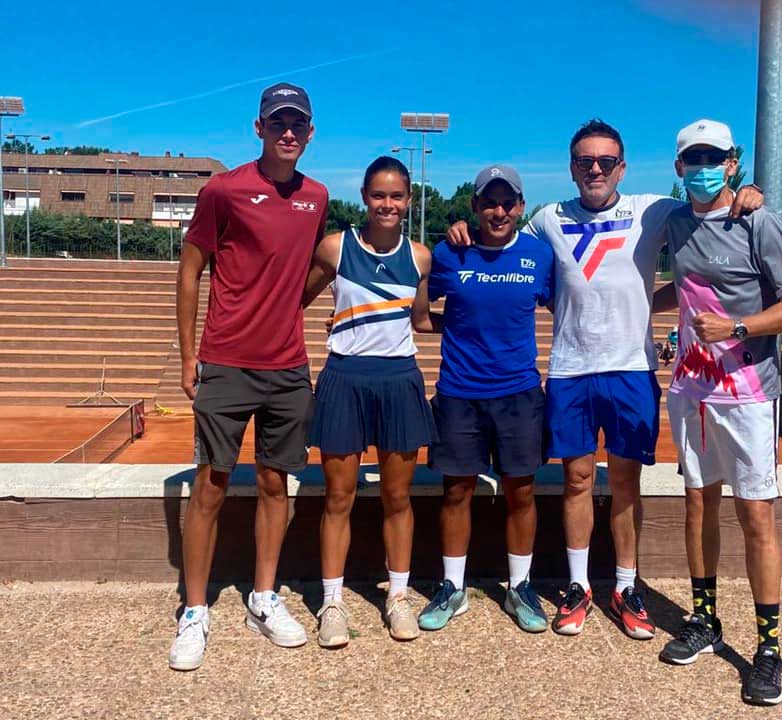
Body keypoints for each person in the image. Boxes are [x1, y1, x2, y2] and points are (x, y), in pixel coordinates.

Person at [447, 120, 763, 639]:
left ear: (622, 166)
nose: (595, 169)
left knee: (624, 484)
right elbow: (497, 241)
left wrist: (747, 192)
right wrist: (461, 230)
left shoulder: (652, 210)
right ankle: (578, 587)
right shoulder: (547, 218)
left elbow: (710, 210)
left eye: (605, 161)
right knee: (575, 481)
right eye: (584, 161)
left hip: (631, 370)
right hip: (571, 371)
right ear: (571, 168)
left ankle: (625, 585)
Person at [652, 119, 782, 706]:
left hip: (748, 393)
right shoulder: (673, 220)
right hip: (693, 390)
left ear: (732, 162)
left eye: (712, 157)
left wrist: (739, 326)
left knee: (756, 517)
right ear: (678, 167)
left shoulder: (758, 220)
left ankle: (768, 648)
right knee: (698, 503)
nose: (702, 166)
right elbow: (686, 286)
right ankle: (704, 620)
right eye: (692, 157)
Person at [170, 83, 328, 671]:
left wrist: (290, 307)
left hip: (288, 367)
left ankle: (264, 597)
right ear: (258, 128)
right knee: (210, 485)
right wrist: (190, 357)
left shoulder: (318, 195)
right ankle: (194, 609)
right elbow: (190, 272)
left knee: (273, 484)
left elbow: (312, 266)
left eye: (298, 124)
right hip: (227, 362)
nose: (288, 132)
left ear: (310, 134)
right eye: (277, 122)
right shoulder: (224, 190)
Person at [415, 165, 554, 634]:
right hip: (459, 393)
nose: (498, 211)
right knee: (456, 491)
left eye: (507, 202)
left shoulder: (539, 255)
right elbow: (421, 315)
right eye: (488, 202)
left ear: (520, 206)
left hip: (518, 394)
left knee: (522, 491)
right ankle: (453, 587)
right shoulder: (449, 252)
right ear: (474, 206)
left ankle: (520, 586)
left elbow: (561, 305)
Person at [303, 156, 435, 647]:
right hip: (345, 377)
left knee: (397, 497)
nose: (387, 204)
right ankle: (332, 604)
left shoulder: (420, 257)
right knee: (339, 496)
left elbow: (420, 320)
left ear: (408, 200)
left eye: (396, 196)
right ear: (364, 196)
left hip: (399, 378)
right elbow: (296, 297)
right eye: (378, 195)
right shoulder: (336, 248)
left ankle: (397, 597)